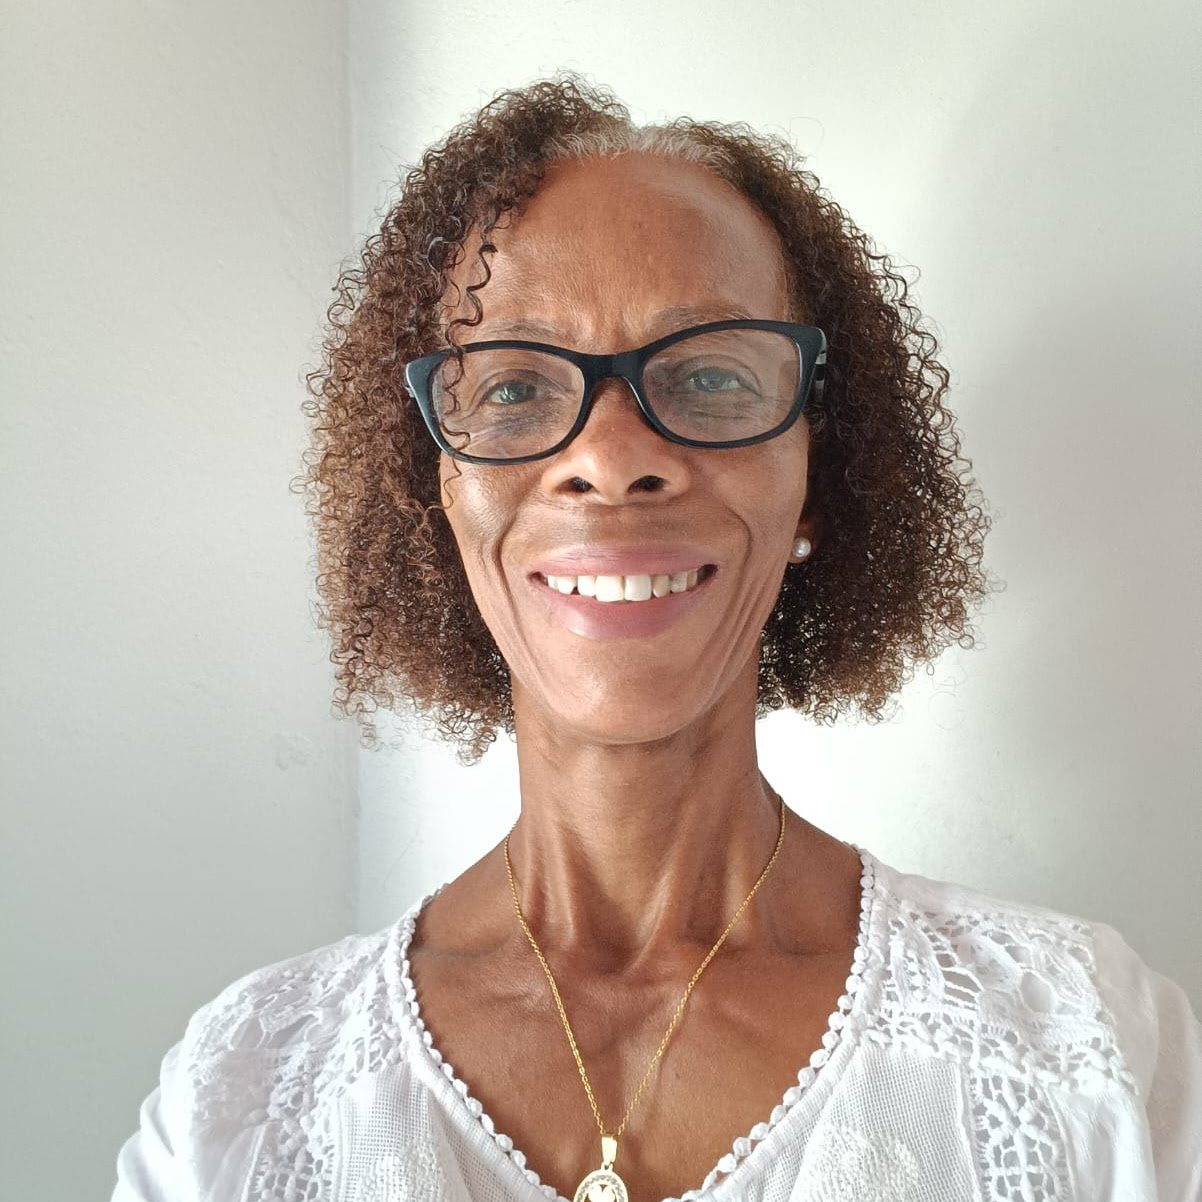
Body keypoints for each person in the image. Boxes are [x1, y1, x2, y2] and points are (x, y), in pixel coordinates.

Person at [112, 76, 1202, 1202]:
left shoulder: (1086, 1049)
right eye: (515, 387)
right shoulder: (242, 1097)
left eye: (712, 376)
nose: (610, 456)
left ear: (815, 475)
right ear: (439, 487)